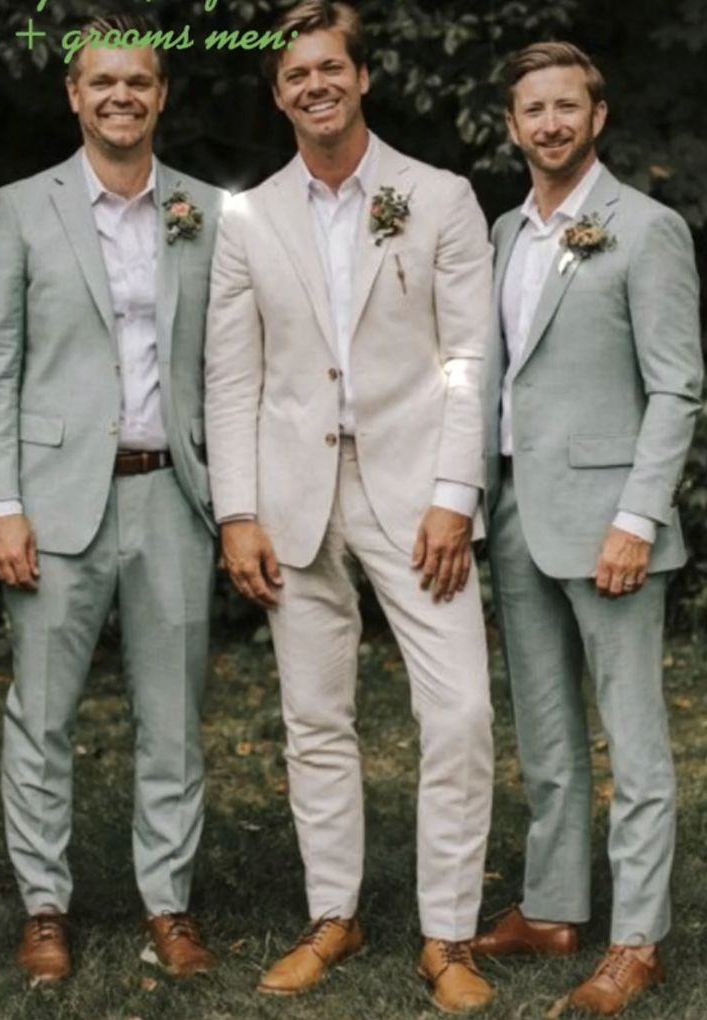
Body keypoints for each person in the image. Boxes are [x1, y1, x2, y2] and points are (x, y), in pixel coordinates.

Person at [205, 1, 495, 1012]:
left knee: (457, 712)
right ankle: (334, 914)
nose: (313, 86)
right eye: (294, 75)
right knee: (313, 720)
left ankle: (448, 936)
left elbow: (467, 358)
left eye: (330, 67)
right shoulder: (250, 217)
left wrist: (455, 496)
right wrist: (236, 511)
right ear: (277, 93)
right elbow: (232, 375)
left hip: (418, 503)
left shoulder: (438, 196)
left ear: (362, 77)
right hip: (292, 502)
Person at [0, 14, 225, 984]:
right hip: (52, 499)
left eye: (140, 83)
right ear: (72, 96)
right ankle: (44, 906)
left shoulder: (204, 209)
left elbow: (229, 361)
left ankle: (168, 903)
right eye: (101, 83)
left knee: (173, 714)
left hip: (172, 497)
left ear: (162, 97)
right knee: (42, 716)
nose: (122, 97)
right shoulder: (20, 208)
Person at [473, 41, 702, 1016]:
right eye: (535, 110)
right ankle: (555, 908)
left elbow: (677, 385)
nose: (551, 124)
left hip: (613, 525)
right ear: (513, 126)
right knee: (549, 736)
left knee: (635, 744)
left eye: (568, 106)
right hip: (519, 509)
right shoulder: (501, 233)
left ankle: (637, 939)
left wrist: (634, 519)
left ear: (596, 118)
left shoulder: (644, 229)